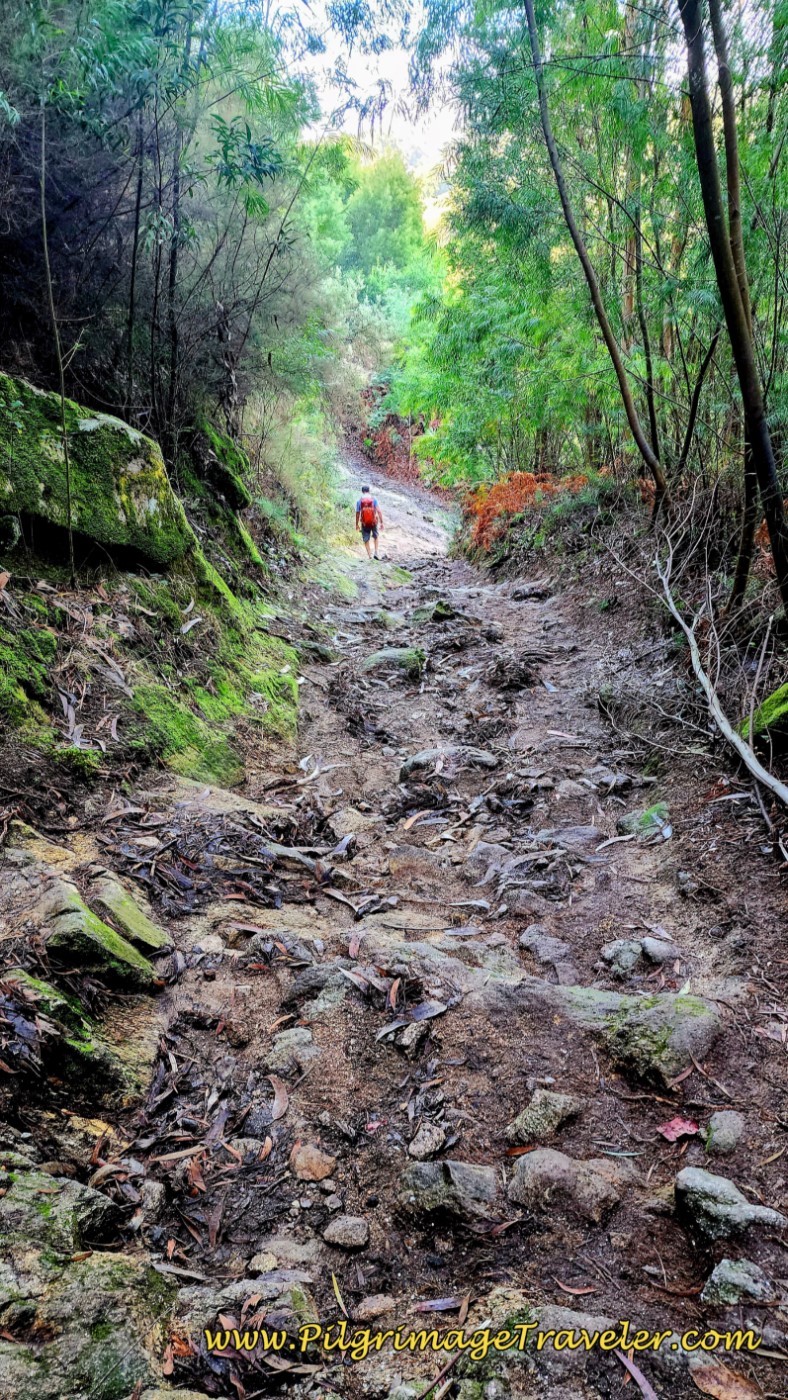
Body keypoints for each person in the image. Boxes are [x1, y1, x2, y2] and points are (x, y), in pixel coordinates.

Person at [355, 485, 384, 559]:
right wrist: (381, 522)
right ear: (369, 491)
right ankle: (376, 552)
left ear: (362, 492)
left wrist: (357, 524)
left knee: (366, 538)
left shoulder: (359, 501)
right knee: (376, 536)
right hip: (373, 521)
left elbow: (358, 513)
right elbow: (379, 511)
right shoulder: (373, 499)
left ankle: (370, 556)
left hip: (364, 522)